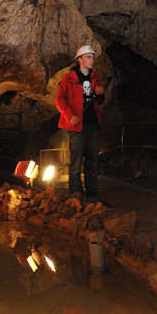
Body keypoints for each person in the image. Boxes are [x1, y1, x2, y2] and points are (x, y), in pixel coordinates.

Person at [56, 45, 106, 203]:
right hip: (77, 127)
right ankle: (76, 195)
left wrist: (101, 94)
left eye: (92, 57)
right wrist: (70, 116)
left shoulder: (94, 77)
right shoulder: (69, 78)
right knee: (76, 162)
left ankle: (92, 197)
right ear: (80, 59)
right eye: (89, 57)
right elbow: (60, 99)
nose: (92, 60)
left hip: (93, 126)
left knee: (92, 162)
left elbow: (99, 101)